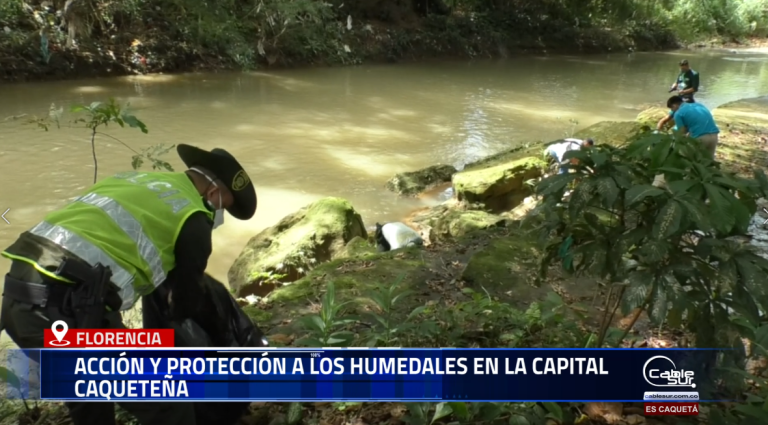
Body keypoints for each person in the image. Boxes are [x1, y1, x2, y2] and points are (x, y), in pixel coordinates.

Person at [0, 144, 257, 425]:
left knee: (91, 405)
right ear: (212, 194)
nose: (219, 214)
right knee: (167, 404)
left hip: (20, 302)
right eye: (223, 207)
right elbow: (185, 301)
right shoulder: (193, 219)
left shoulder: (129, 181)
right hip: (66, 315)